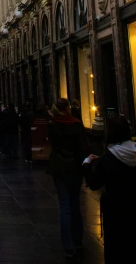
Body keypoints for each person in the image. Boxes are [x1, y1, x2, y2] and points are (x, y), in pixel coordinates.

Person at [83, 115, 136, 264]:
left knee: (116, 245)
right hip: (134, 203)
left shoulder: (109, 157)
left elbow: (94, 184)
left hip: (114, 206)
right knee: (135, 243)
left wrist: (87, 164)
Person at [47, 98, 88, 261]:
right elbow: (83, 148)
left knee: (64, 206)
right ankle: (78, 240)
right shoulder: (76, 124)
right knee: (75, 203)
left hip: (58, 167)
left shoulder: (52, 124)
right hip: (75, 168)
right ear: (68, 109)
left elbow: (53, 143)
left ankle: (68, 246)